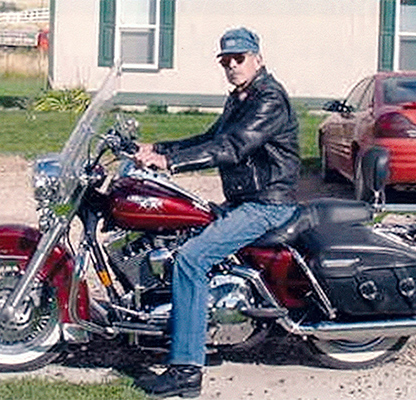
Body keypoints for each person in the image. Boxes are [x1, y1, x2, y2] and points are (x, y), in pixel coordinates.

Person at [134, 27, 301, 398]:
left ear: (258, 59)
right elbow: (210, 138)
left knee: (191, 260)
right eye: (226, 60)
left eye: (239, 58)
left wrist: (170, 163)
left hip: (267, 204)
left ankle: (186, 370)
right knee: (182, 235)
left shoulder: (269, 98)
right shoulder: (241, 98)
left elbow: (233, 147)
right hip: (245, 201)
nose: (232, 65)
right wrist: (157, 148)